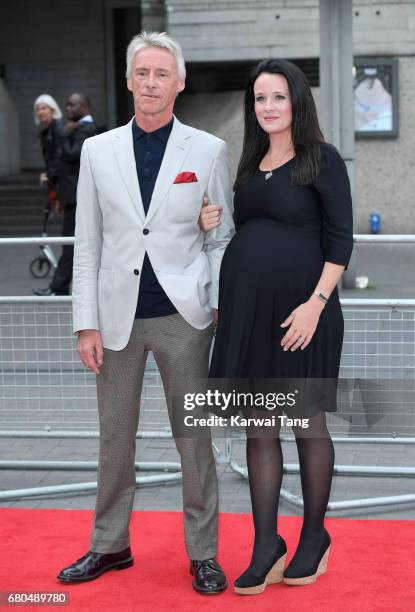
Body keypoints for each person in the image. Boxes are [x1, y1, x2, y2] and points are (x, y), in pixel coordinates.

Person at [57, 32, 234, 594]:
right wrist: (84, 321)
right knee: (115, 437)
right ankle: (110, 545)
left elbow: (221, 238)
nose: (151, 83)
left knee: (193, 439)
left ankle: (203, 552)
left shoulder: (207, 150)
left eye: (162, 74)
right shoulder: (97, 150)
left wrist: (217, 300)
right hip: (114, 320)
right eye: (142, 73)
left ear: (179, 82)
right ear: (128, 80)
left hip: (186, 317)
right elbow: (86, 242)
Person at [202, 58, 353, 594]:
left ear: (298, 102)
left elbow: (341, 241)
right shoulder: (250, 162)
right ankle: (266, 542)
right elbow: (249, 232)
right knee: (258, 427)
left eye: (278, 97)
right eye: (260, 99)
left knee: (307, 423)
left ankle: (314, 537)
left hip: (304, 317)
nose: (268, 107)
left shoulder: (322, 159)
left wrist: (315, 304)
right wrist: (210, 222)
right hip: (251, 316)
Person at [33, 93, 98, 296]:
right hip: (72, 196)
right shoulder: (77, 127)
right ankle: (61, 287)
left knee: (71, 244)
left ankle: (60, 287)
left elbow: (70, 155)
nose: (68, 108)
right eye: (67, 105)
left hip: (78, 196)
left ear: (85, 106)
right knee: (72, 243)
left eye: (72, 105)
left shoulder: (86, 129)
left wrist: (63, 134)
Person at [33, 93, 63, 209]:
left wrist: (49, 175)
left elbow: (59, 156)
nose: (40, 112)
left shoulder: (58, 128)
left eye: (44, 108)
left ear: (52, 109)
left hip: (63, 182)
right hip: (57, 180)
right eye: (38, 109)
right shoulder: (49, 130)